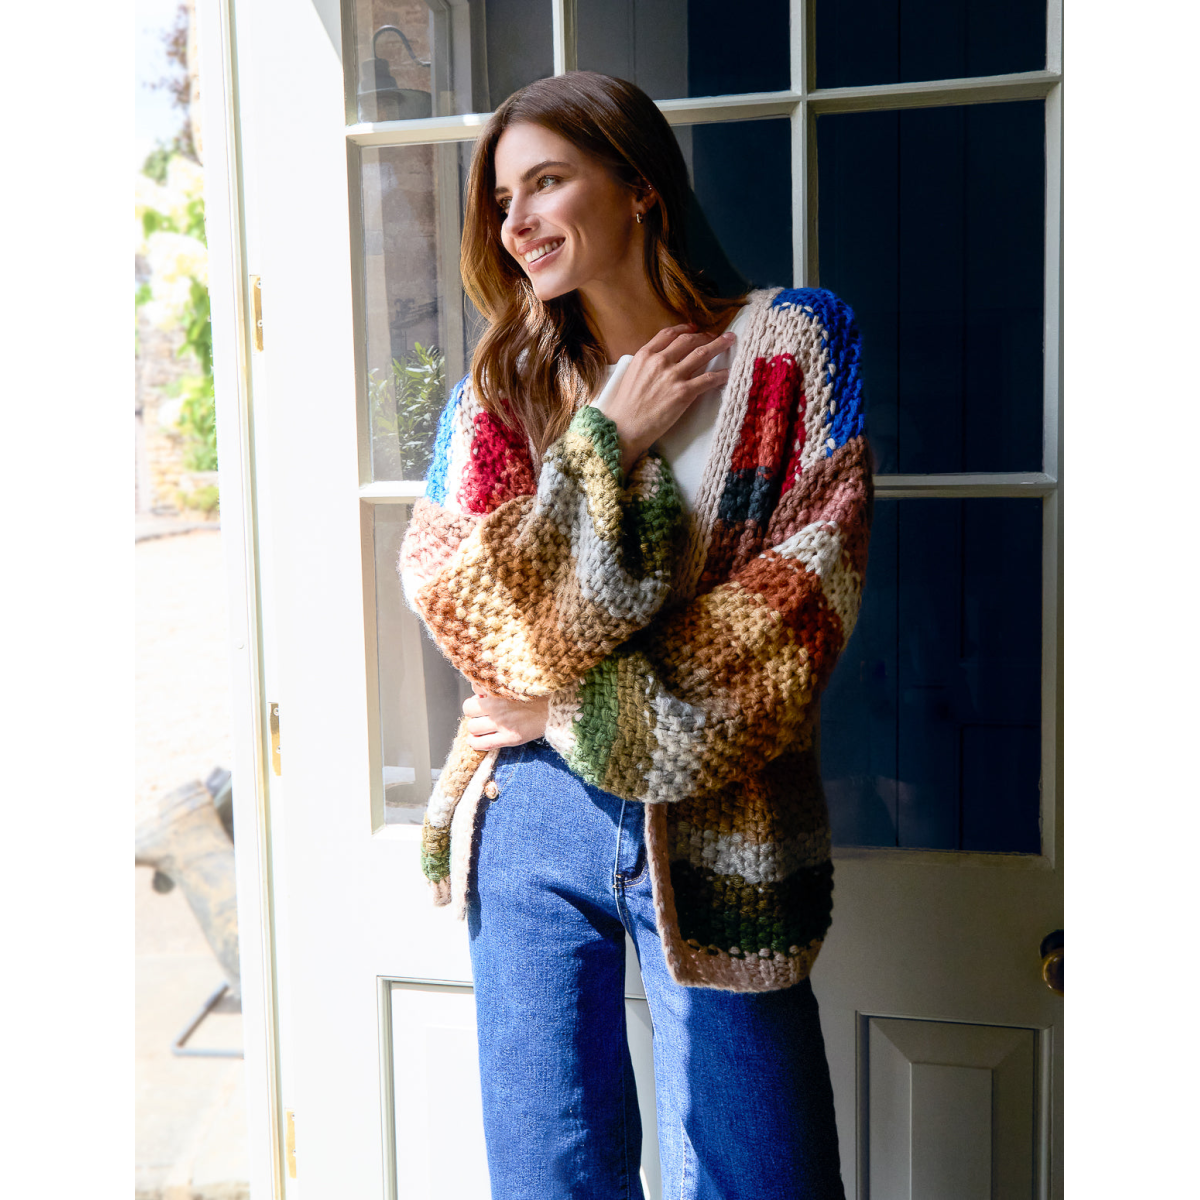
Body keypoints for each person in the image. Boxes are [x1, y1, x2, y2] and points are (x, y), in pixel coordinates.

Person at [398, 71, 872, 1200]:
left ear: (640, 187)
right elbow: (464, 600)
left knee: (767, 1175)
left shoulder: (794, 346)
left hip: (728, 818)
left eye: (546, 182)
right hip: (529, 816)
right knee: (551, 1178)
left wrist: (564, 701)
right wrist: (603, 440)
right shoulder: (502, 392)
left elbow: (796, 618)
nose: (516, 222)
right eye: (502, 199)